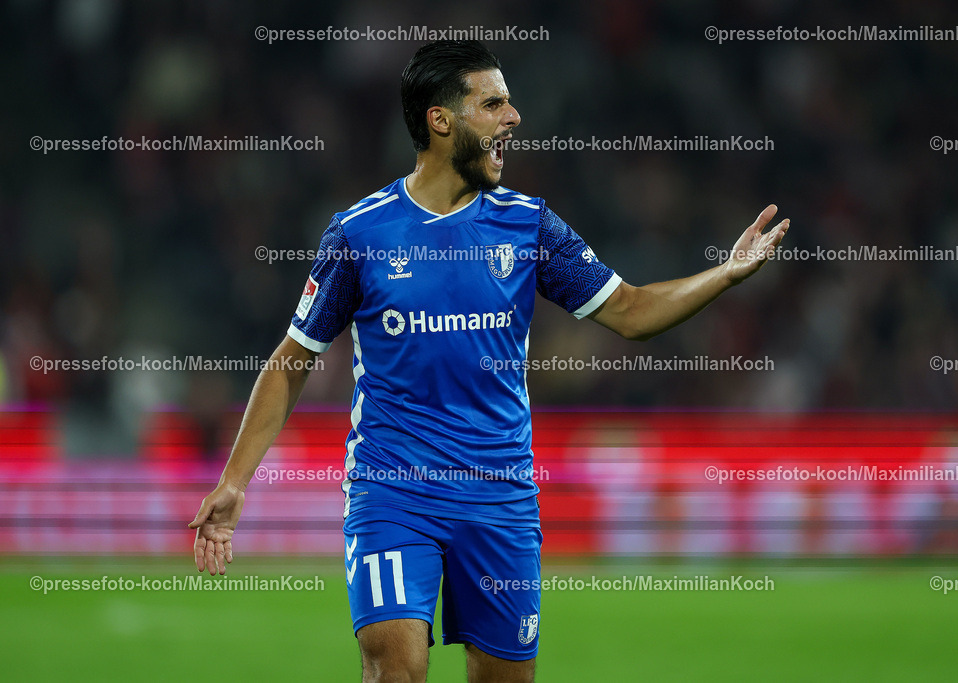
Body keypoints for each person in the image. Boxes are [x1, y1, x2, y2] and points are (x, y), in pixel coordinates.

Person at [189, 40, 790, 683]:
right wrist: (233, 481)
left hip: (498, 498)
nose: (514, 117)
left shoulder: (529, 228)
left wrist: (727, 275)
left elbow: (634, 311)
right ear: (441, 120)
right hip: (394, 490)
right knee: (397, 669)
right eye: (493, 103)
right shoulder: (359, 234)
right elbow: (291, 360)